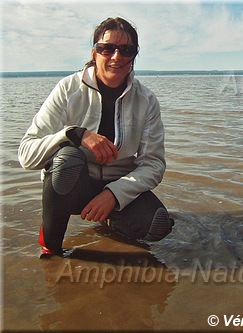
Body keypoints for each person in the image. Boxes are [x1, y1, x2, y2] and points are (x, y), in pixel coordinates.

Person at [18, 17, 173, 257]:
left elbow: (153, 164)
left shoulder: (147, 100)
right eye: (107, 48)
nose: (116, 57)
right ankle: (51, 246)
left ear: (134, 55)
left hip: (116, 187)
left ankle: (111, 223)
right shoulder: (67, 89)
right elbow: (27, 155)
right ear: (94, 52)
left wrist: (114, 194)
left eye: (126, 49)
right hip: (72, 185)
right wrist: (74, 134)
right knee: (66, 159)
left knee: (159, 224)